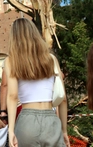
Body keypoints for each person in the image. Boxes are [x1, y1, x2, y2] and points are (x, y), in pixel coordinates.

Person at [5, 18, 70, 147]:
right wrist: (64, 131)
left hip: (27, 121)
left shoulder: (11, 60)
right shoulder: (51, 59)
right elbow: (62, 99)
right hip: (51, 119)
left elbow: (12, 96)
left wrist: (11, 130)